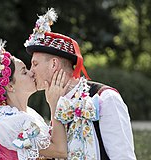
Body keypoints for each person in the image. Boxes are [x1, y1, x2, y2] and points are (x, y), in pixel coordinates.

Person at [24, 8, 136, 160]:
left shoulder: (105, 98)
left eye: (35, 64)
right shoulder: (53, 101)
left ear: (54, 64)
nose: (31, 72)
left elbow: (123, 157)